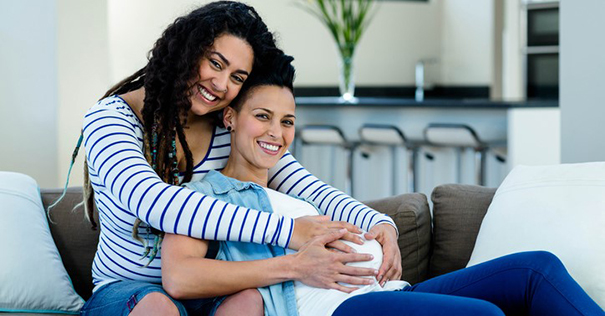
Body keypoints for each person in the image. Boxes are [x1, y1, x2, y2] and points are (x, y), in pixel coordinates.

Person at [162, 53, 605, 316]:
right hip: (333, 308)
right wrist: (295, 267)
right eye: (263, 117)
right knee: (485, 315)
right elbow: (181, 277)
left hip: (390, 292)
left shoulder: (293, 186)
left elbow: (354, 210)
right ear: (230, 117)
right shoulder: (205, 196)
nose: (276, 132)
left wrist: (385, 228)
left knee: (535, 269)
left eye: (288, 121)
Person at [71, 2, 400, 315]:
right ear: (186, 49)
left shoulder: (227, 126)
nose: (221, 84)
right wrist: (289, 232)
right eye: (215, 63)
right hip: (128, 290)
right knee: (159, 306)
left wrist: (379, 223)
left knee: (250, 301)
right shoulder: (111, 120)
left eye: (238, 77)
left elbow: (305, 186)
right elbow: (154, 203)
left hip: (212, 287)